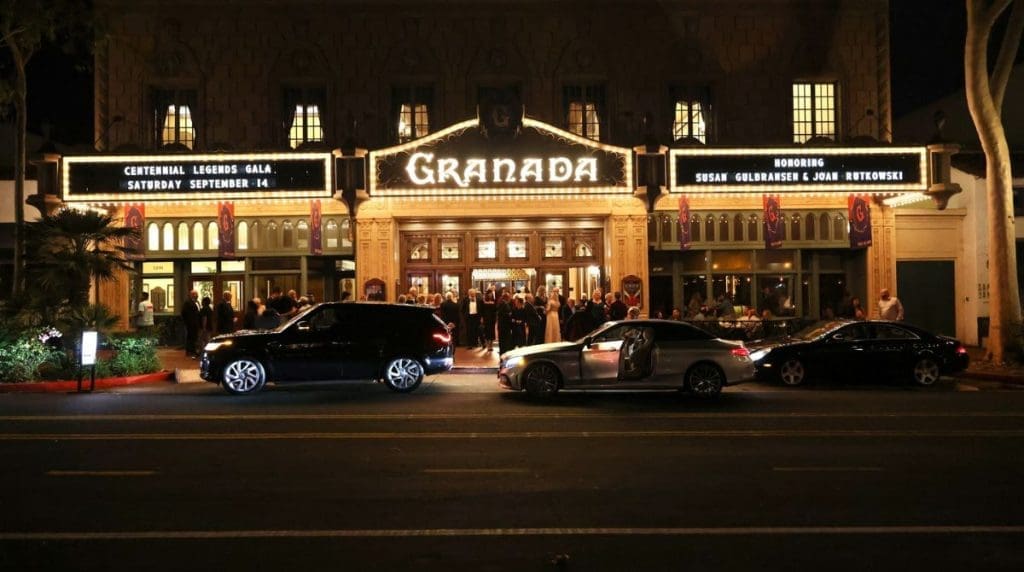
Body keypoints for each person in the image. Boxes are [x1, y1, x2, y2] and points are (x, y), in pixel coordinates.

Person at [181, 289, 200, 358]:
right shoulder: (187, 303)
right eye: (196, 294)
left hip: (195, 323)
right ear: (191, 295)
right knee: (190, 337)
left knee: (194, 337)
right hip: (190, 324)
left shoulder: (196, 302)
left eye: (197, 294)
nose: (197, 296)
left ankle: (193, 350)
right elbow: (183, 313)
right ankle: (189, 351)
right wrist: (188, 322)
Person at [482, 284, 498, 350]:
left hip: (492, 318)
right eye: (489, 294)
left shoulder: (494, 300)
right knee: (486, 331)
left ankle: (491, 345)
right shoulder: (484, 302)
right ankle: (487, 344)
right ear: (487, 295)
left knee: (492, 332)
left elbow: (496, 309)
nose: (490, 295)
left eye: (491, 294)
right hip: (486, 318)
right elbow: (482, 310)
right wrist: (482, 318)